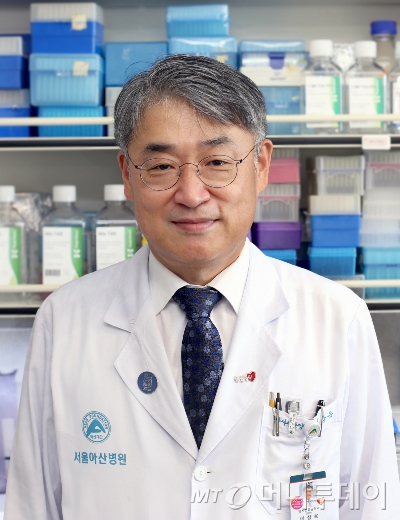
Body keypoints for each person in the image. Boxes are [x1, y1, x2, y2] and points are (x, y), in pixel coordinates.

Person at [4, 55, 400, 519]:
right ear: (128, 175)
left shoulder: (336, 318)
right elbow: (33, 505)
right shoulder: (65, 320)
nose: (191, 194)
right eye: (161, 166)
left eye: (217, 162)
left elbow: (372, 503)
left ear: (262, 166)